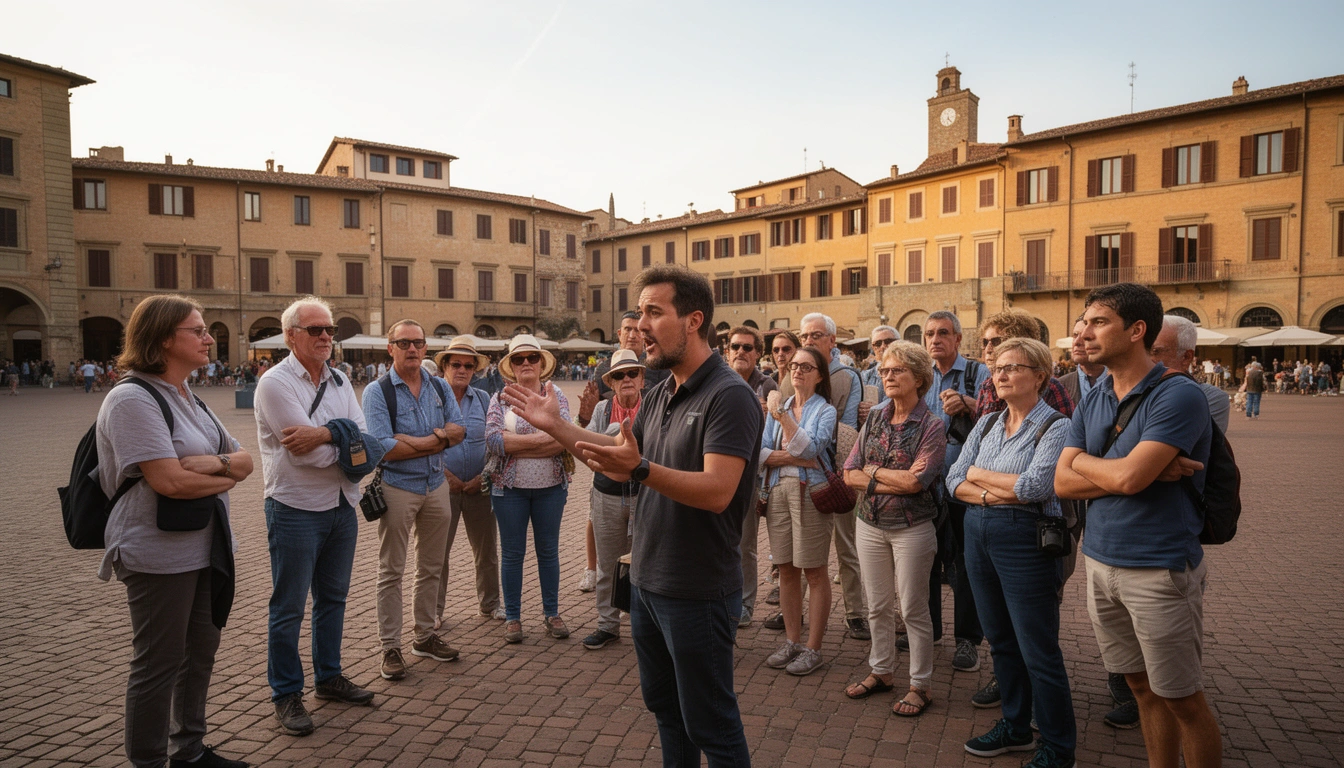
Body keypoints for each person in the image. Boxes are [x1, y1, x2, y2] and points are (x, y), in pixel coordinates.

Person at [503, 265, 759, 767]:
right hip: (646, 583)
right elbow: (618, 449)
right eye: (639, 312)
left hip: (698, 591)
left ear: (693, 320)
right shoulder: (662, 390)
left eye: (653, 312)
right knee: (666, 710)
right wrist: (556, 425)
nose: (640, 325)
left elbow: (717, 491)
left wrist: (640, 469)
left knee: (712, 724)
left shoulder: (729, 395)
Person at [1056, 283, 1219, 768]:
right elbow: (1062, 483)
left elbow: (1122, 477)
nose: (1082, 332)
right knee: (1140, 687)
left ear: (1136, 331)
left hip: (1159, 569)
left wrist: (1102, 465)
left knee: (1182, 698)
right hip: (1100, 562)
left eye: (1097, 321)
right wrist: (1125, 469)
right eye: (1083, 322)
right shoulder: (1096, 395)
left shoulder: (1179, 396)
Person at [96, 294, 254, 768]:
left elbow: (246, 462)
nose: (209, 338)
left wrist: (215, 463)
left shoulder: (189, 395)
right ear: (164, 338)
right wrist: (226, 471)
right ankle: (149, 760)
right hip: (157, 551)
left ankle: (189, 749)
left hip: (208, 545)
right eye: (198, 330)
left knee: (199, 653)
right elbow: (169, 481)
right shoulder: (130, 398)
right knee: (158, 662)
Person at [947, 338, 1076, 768]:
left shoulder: (1056, 426)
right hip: (979, 533)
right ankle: (1017, 726)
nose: (999, 374)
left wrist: (978, 479)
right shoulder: (985, 423)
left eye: (1013, 367)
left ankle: (1058, 747)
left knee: (1037, 647)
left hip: (1026, 539)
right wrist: (994, 490)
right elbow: (951, 479)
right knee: (1000, 639)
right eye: (998, 368)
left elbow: (1036, 487)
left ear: (1040, 375)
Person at [254, 296, 376, 736]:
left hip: (342, 505)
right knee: (288, 607)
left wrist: (326, 434)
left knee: (334, 599)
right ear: (291, 336)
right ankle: (286, 693)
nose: (327, 336)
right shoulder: (274, 383)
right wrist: (344, 442)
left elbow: (366, 439)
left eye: (330, 330)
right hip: (295, 508)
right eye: (316, 330)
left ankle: (328, 677)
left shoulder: (341, 380)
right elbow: (303, 456)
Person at [841, 340, 946, 717]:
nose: (887, 376)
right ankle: (881, 671)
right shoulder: (875, 417)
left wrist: (871, 474)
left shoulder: (932, 425)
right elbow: (848, 472)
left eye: (897, 370)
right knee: (878, 606)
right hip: (869, 523)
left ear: (919, 378)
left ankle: (921, 684)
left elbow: (916, 483)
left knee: (914, 608)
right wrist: (882, 478)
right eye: (884, 370)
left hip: (912, 527)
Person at [362, 320, 466, 682]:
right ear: (390, 347)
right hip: (398, 488)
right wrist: (436, 440)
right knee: (391, 569)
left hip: (436, 485)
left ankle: (424, 636)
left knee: (432, 566)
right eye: (403, 342)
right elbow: (382, 447)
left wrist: (419, 441)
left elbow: (459, 429)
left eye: (418, 343)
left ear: (425, 348)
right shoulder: (377, 392)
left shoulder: (438, 385)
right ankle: (391, 646)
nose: (412, 349)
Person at [905, 311, 992, 681]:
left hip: (962, 486)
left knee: (964, 567)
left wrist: (969, 404)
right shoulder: (919, 376)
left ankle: (967, 639)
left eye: (943, 333)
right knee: (925, 560)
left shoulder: (978, 375)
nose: (935, 339)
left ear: (958, 339)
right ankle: (931, 630)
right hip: (925, 484)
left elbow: (1000, 417)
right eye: (929, 333)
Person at [485, 334, 572, 644]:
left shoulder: (555, 395)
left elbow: (564, 438)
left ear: (540, 363)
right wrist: (542, 441)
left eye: (531, 358)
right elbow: (494, 442)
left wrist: (517, 446)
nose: (525, 363)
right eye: (518, 359)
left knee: (548, 551)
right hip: (510, 489)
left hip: (550, 487)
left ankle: (551, 613)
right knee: (512, 554)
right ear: (510, 365)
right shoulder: (499, 399)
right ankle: (513, 617)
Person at [788, 312, 869, 641]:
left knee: (846, 545)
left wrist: (830, 464)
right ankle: (797, 610)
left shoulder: (848, 376)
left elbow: (846, 429)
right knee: (804, 547)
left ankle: (855, 613)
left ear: (832, 340)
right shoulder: (795, 368)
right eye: (804, 336)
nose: (808, 340)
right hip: (802, 471)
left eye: (815, 335)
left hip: (835, 471)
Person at [759, 345, 837, 676]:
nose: (798, 372)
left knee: (815, 570)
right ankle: (792, 641)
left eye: (806, 367)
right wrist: (791, 453)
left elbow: (810, 448)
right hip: (777, 490)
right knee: (787, 568)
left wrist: (781, 416)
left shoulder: (824, 411)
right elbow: (759, 452)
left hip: (811, 492)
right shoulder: (782, 405)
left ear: (820, 375)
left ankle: (813, 648)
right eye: (794, 366)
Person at [434, 338, 504, 626]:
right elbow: (426, 441)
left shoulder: (485, 399)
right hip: (441, 487)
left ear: (475, 369)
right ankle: (434, 612)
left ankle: (490, 605)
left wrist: (483, 476)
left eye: (468, 365)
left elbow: (494, 443)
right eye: (456, 364)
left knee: (486, 551)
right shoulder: (431, 399)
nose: (462, 369)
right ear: (444, 367)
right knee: (436, 554)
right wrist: (445, 476)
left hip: (479, 486)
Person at [580, 349, 646, 650]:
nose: (627, 379)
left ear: (642, 378)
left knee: (645, 563)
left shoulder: (654, 407)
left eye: (633, 373)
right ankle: (607, 625)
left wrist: (611, 444)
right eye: (620, 375)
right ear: (612, 381)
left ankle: (645, 625)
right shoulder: (602, 410)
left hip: (644, 496)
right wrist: (615, 438)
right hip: (606, 494)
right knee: (608, 564)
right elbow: (588, 446)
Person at [726, 325, 777, 627]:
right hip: (717, 473)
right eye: (735, 347)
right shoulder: (719, 381)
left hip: (751, 477)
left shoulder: (768, 385)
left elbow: (780, 430)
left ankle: (744, 605)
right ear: (727, 351)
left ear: (758, 353)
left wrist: (767, 414)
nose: (741, 352)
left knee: (746, 545)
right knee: (719, 542)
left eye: (747, 347)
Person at [1152, 316, 1230, 432]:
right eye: (1141, 351)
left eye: (1155, 352)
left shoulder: (1208, 398)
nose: (1143, 359)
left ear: (1186, 357)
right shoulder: (1123, 391)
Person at [1059, 316, 1108, 407]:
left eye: (1084, 337)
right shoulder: (1059, 387)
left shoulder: (1120, 384)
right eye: (1075, 335)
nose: (1076, 342)